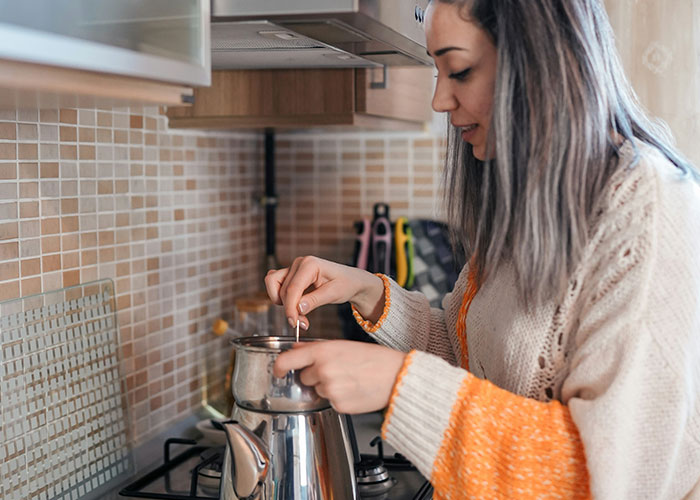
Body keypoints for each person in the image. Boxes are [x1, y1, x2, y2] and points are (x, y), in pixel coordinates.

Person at [264, 0, 700, 498]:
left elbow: (614, 479)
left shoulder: (649, 209)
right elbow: (468, 355)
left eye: (459, 70)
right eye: (436, 72)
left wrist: (402, 388)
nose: (439, 101)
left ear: (541, 61)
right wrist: (369, 292)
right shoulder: (529, 203)